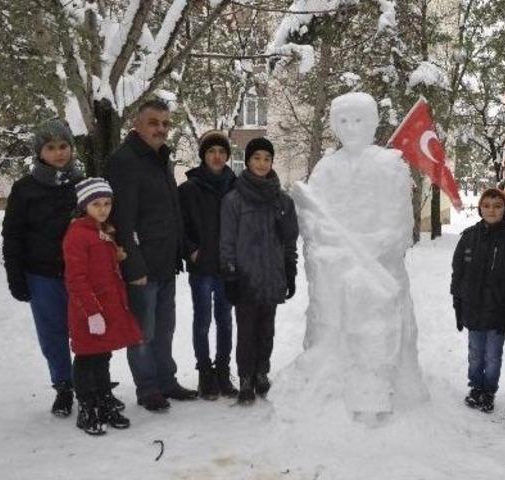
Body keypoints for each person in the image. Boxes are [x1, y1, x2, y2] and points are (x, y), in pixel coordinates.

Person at [290, 92, 428, 422]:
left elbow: (399, 225)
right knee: (333, 322)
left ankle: (374, 392)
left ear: (373, 123)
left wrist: (373, 249)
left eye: (359, 120)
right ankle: (330, 384)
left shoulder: (389, 165)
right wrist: (327, 248)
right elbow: (312, 221)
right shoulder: (326, 169)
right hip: (336, 266)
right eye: (344, 121)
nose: (351, 128)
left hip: (378, 269)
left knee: (374, 326)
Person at [105, 99, 197, 412]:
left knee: (164, 328)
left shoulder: (161, 158)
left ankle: (166, 381)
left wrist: (181, 250)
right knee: (142, 332)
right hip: (142, 266)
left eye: (165, 123)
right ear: (137, 124)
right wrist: (133, 265)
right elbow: (121, 220)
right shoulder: (125, 161)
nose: (160, 129)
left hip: (165, 261)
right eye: (153, 122)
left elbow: (169, 210)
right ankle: (147, 388)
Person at [2, 118, 83, 417]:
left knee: (87, 331)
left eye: (63, 146)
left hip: (80, 274)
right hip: (42, 276)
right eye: (51, 147)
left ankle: (89, 383)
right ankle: (63, 386)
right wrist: (16, 276)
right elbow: (12, 235)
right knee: (53, 333)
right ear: (40, 152)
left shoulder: (83, 184)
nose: (59, 153)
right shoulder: (25, 189)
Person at [220, 138, 299, 405]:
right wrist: (230, 273)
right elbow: (227, 241)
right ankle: (245, 377)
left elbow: (289, 240)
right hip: (245, 278)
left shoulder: (283, 201)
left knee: (267, 331)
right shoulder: (234, 199)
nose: (262, 163)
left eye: (267, 158)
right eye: (256, 158)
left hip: (272, 277)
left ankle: (261, 373)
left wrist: (290, 270)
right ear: (248, 160)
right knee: (246, 331)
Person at [63, 178, 143, 435]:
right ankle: (87, 405)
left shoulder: (103, 231)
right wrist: (92, 312)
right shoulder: (77, 234)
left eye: (107, 203)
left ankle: (104, 398)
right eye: (96, 204)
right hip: (88, 310)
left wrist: (115, 255)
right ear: (84, 205)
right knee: (87, 357)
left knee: (103, 355)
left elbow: (102, 266)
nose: (102, 209)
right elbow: (76, 278)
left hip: (107, 307)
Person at [451, 188, 505, 413]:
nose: (491, 210)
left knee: (493, 355)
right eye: (486, 206)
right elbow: (458, 272)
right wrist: (458, 301)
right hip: (473, 307)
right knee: (475, 352)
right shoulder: (469, 237)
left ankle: (489, 391)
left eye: (497, 206)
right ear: (479, 208)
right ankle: (476, 386)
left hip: (498, 310)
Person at [178, 130, 239, 400]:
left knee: (225, 321)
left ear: (227, 156)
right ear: (204, 155)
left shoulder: (237, 186)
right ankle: (205, 372)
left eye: (222, 152)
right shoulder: (189, 188)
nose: (217, 156)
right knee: (202, 321)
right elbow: (180, 225)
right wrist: (191, 250)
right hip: (202, 267)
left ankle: (223, 371)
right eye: (212, 151)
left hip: (227, 267)